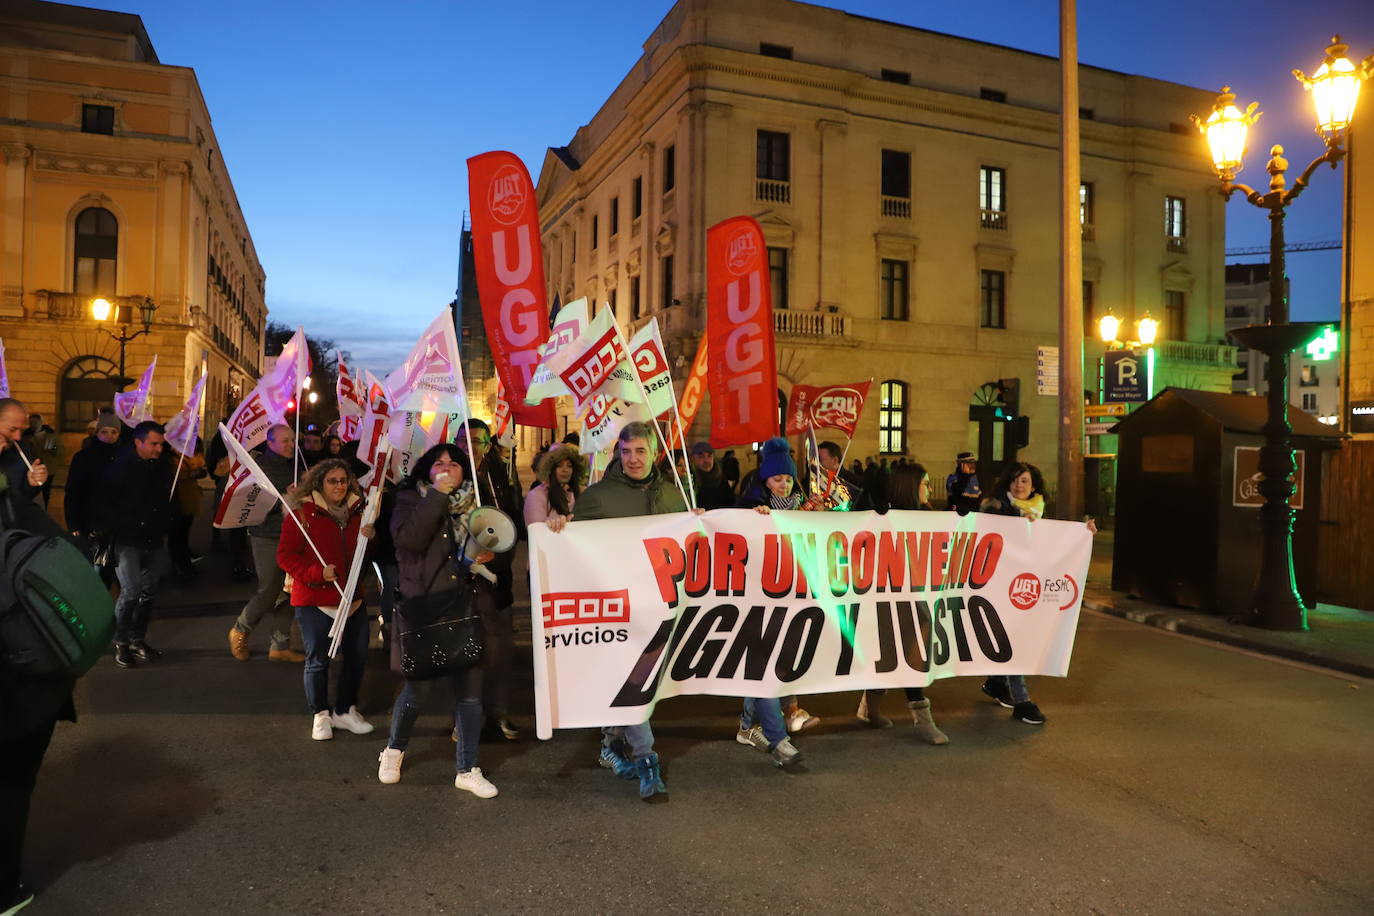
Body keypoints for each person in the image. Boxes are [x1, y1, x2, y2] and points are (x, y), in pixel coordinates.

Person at [550, 421, 697, 799]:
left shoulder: (673, 495)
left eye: (640, 451)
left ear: (654, 453)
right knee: (634, 683)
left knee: (636, 684)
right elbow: (575, 548)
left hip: (660, 606)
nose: (633, 459)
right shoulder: (598, 497)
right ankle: (648, 761)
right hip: (617, 607)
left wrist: (752, 518)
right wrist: (560, 526)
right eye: (626, 451)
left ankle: (610, 745)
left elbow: (696, 540)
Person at [380, 444, 499, 797]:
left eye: (454, 464)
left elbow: (501, 543)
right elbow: (410, 540)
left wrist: (490, 554)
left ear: (465, 471)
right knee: (418, 688)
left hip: (467, 603)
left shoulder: (476, 503)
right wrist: (436, 497)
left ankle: (467, 768)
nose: (447, 469)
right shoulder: (407, 500)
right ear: (426, 471)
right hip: (426, 606)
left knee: (470, 694)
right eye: (439, 464)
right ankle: (393, 750)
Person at [0, 401, 69, 916]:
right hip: (19, 662)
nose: (19, 439)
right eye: (12, 431)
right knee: (13, 777)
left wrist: (30, 490)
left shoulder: (12, 477)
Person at [977, 462, 1096, 726]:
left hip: (1025, 586)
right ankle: (1022, 701)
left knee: (1011, 639)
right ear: (1007, 483)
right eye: (1015, 480)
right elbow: (987, 534)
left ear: (1034, 486)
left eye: (1025, 481)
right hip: (998, 584)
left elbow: (1056, 538)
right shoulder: (994, 507)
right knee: (1014, 642)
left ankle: (996, 683)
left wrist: (1082, 532)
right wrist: (1018, 524)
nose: (1020, 486)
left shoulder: (1037, 509)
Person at [275, 458, 375, 741]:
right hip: (314, 600)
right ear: (320, 482)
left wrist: (371, 537)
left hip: (352, 599)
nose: (339, 486)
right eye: (333, 481)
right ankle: (320, 714)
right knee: (318, 660)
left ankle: (345, 710)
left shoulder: (359, 510)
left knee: (356, 657)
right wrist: (317, 572)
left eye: (343, 480)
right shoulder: (303, 514)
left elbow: (363, 557)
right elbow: (285, 555)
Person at [856, 462, 948, 744]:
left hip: (917, 599)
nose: (930, 489)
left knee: (907, 653)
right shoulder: (883, 517)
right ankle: (919, 718)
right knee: (890, 654)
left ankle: (871, 710)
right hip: (886, 597)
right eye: (926, 483)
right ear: (910, 486)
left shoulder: (928, 515)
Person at [732, 437, 805, 767]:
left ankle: (748, 727)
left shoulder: (803, 505)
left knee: (767, 664)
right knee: (764, 665)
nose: (784, 484)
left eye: (788, 478)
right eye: (778, 479)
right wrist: (753, 517)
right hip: (758, 597)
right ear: (765, 481)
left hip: (791, 596)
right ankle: (778, 738)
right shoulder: (752, 505)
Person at [99, 420, 176, 668]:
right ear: (138, 442)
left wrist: (167, 519)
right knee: (130, 591)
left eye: (161, 444)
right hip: (127, 540)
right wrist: (119, 525)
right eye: (153, 444)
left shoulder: (162, 467)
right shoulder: (119, 468)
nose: (158, 449)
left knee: (149, 590)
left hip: (153, 538)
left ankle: (137, 638)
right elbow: (103, 504)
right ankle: (120, 641)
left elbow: (166, 501)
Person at [228, 425, 306, 662]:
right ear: (270, 442)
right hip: (267, 536)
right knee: (270, 589)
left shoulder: (297, 464)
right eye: (285, 441)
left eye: (293, 440)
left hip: (294, 535)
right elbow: (252, 504)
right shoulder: (260, 468)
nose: (291, 444)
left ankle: (280, 644)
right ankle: (241, 629)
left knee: (290, 591)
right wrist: (286, 496)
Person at [64, 414, 122, 546]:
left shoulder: (125, 457)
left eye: (114, 432)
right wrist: (73, 524)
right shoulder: (83, 458)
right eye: (104, 432)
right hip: (90, 522)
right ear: (97, 433)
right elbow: (73, 492)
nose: (109, 436)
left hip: (118, 525)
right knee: (96, 562)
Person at [523, 443, 585, 527]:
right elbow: (536, 530)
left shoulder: (578, 493)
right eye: (559, 466)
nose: (565, 470)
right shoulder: (536, 495)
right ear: (550, 468)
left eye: (569, 466)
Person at [19, 413, 59, 508]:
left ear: (41, 422)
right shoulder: (25, 436)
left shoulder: (50, 435)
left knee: (45, 491)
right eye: (31, 423)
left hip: (48, 468)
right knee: (32, 491)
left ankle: (44, 509)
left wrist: (53, 450)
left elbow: (59, 449)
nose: (33, 425)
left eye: (35, 422)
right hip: (31, 468)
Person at [688, 442, 735, 510]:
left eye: (709, 456)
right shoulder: (690, 481)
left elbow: (731, 503)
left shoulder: (721, 480)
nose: (706, 460)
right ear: (692, 459)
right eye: (701, 457)